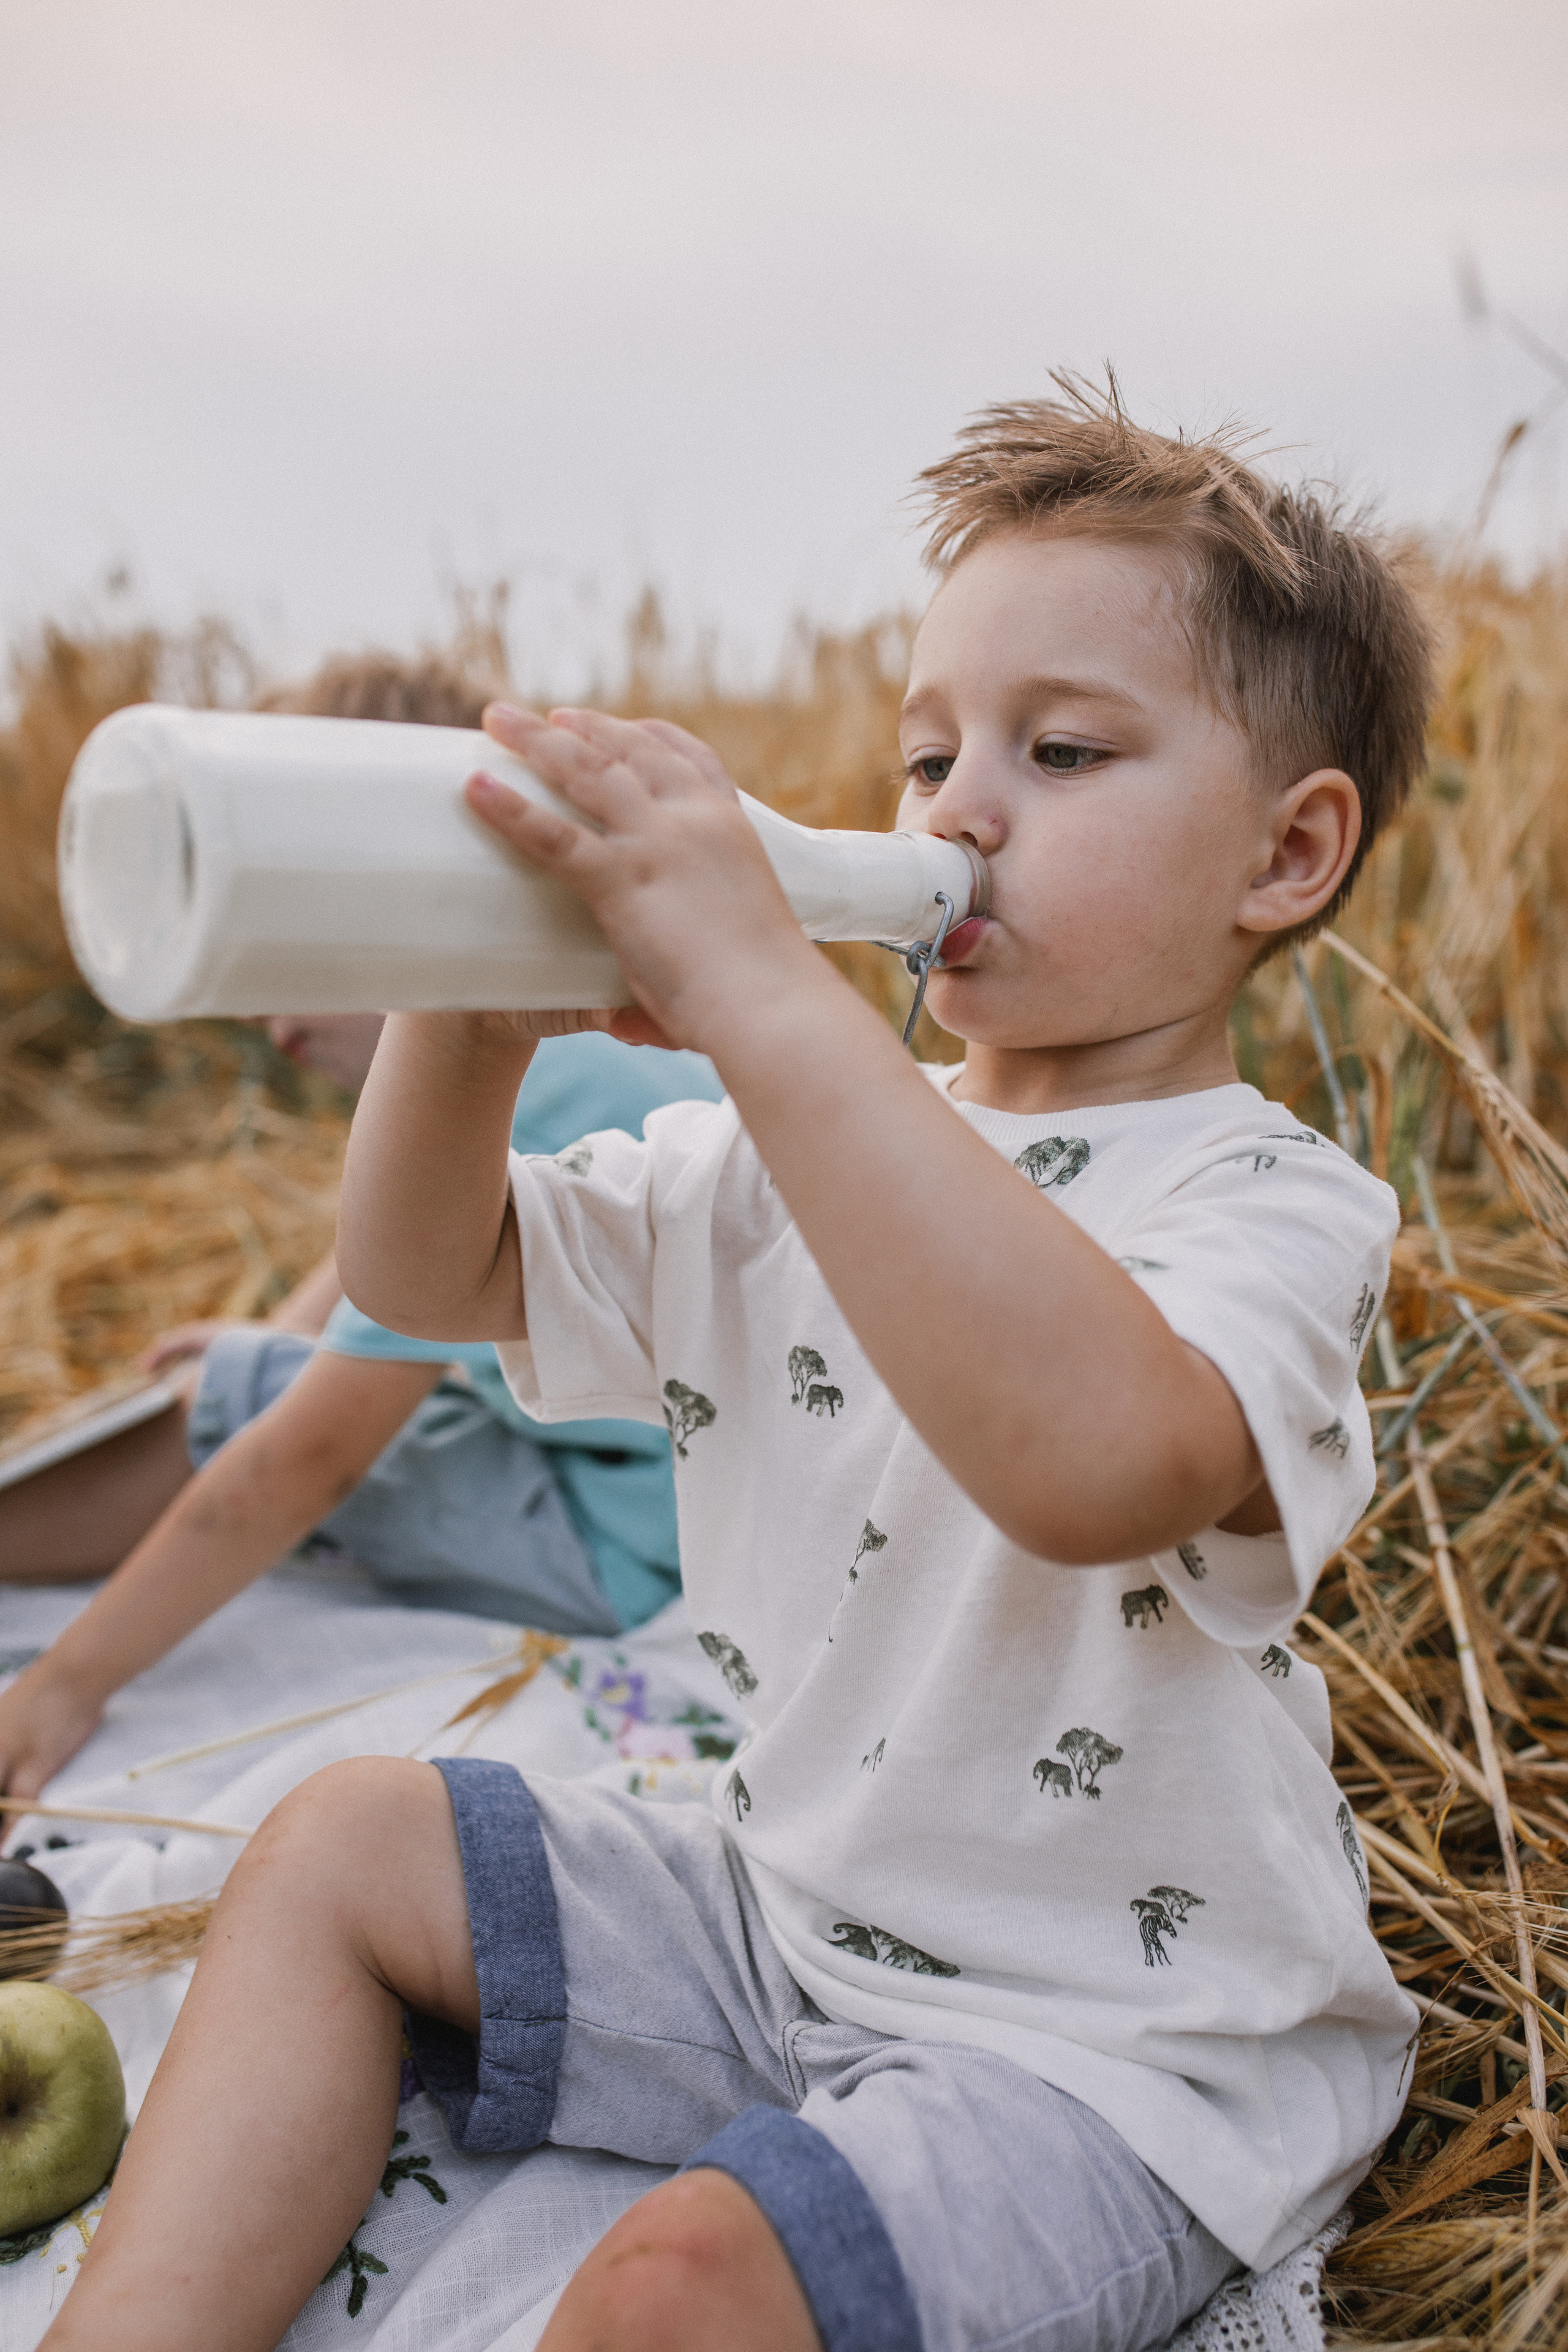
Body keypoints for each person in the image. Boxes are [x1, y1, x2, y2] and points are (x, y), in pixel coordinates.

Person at [45, 386, 1432, 2352]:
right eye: (927, 753)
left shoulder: (1266, 1200)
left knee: (687, 2283)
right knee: (346, 1839)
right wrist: (478, 1014)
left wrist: (769, 1000)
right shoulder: (763, 1146)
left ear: (1286, 856)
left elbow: (1095, 1458)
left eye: (1059, 752)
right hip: (778, 1921)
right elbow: (427, 1271)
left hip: (1110, 2046)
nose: (957, 813)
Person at [0, 661, 723, 1800]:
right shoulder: (565, 1044)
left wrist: (64, 1685)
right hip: (643, 1481)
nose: (256, 1004)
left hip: (635, 1556)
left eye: (289, 934)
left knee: (253, 1407)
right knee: (256, 1375)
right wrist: (278, 1335)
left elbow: (307, 1460)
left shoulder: (525, 1085)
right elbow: (389, 1256)